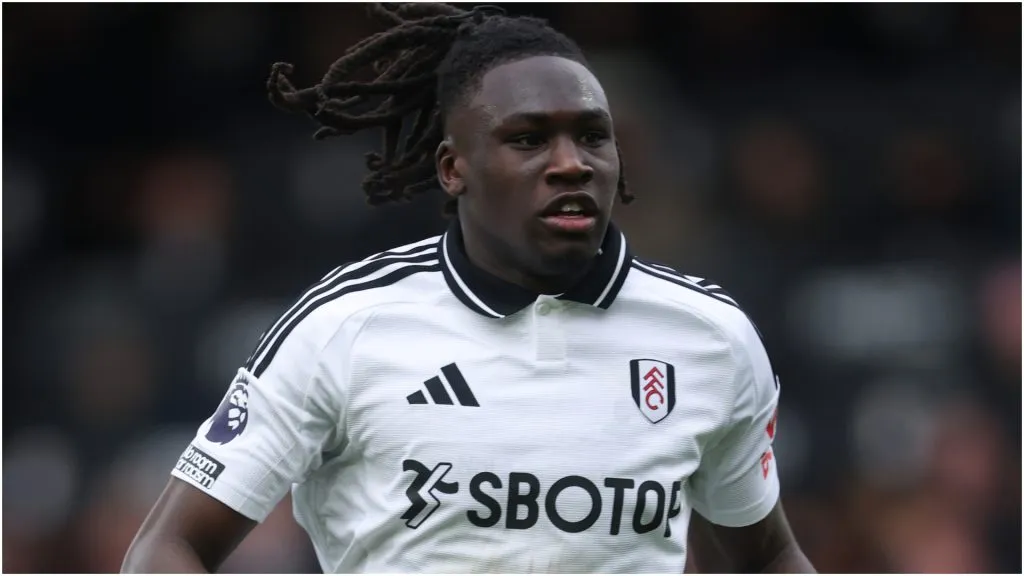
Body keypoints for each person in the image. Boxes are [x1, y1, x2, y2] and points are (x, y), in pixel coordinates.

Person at [122, 3, 814, 573]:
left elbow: (769, 554)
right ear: (453, 169)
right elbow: (171, 545)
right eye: (528, 140)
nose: (570, 163)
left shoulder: (709, 337)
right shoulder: (348, 324)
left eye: (592, 137)